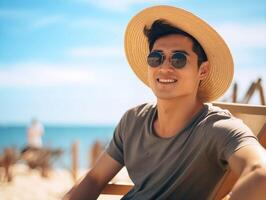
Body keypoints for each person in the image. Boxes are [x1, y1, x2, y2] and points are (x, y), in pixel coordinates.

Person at [66, 5, 266, 200]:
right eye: (156, 58)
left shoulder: (219, 128)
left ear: (202, 71)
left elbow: (261, 173)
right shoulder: (133, 120)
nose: (164, 68)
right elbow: (94, 178)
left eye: (178, 59)